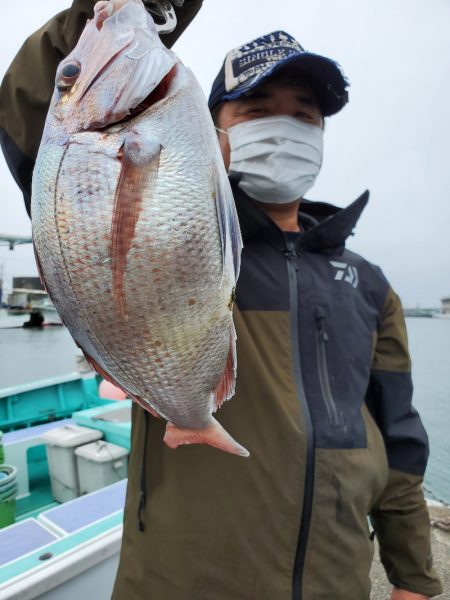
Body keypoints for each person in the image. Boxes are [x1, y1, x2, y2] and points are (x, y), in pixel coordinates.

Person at [0, 3, 443, 599]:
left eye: (304, 116)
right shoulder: (186, 235)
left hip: (337, 582)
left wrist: (413, 577)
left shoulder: (368, 284)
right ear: (214, 132)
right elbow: (38, 111)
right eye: (258, 111)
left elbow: (400, 438)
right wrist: (137, 9)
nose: (284, 128)